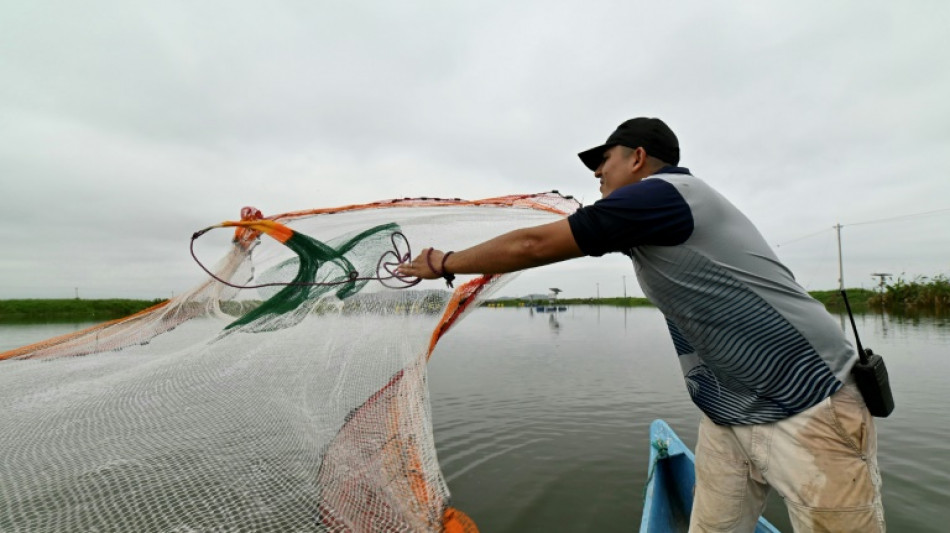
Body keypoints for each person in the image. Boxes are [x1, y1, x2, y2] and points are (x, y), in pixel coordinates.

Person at [396, 117, 885, 532]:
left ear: (638, 158)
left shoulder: (668, 195)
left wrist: (443, 261)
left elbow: (533, 246)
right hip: (730, 406)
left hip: (810, 399)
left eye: (603, 161)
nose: (596, 175)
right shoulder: (646, 220)